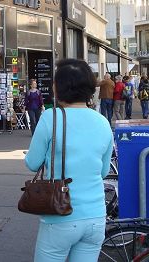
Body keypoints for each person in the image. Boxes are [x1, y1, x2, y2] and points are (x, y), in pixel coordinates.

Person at [25, 59, 113, 262]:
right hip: (96, 216)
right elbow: (103, 171)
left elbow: (32, 163)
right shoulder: (103, 122)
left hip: (61, 214)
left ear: (58, 88)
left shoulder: (51, 118)